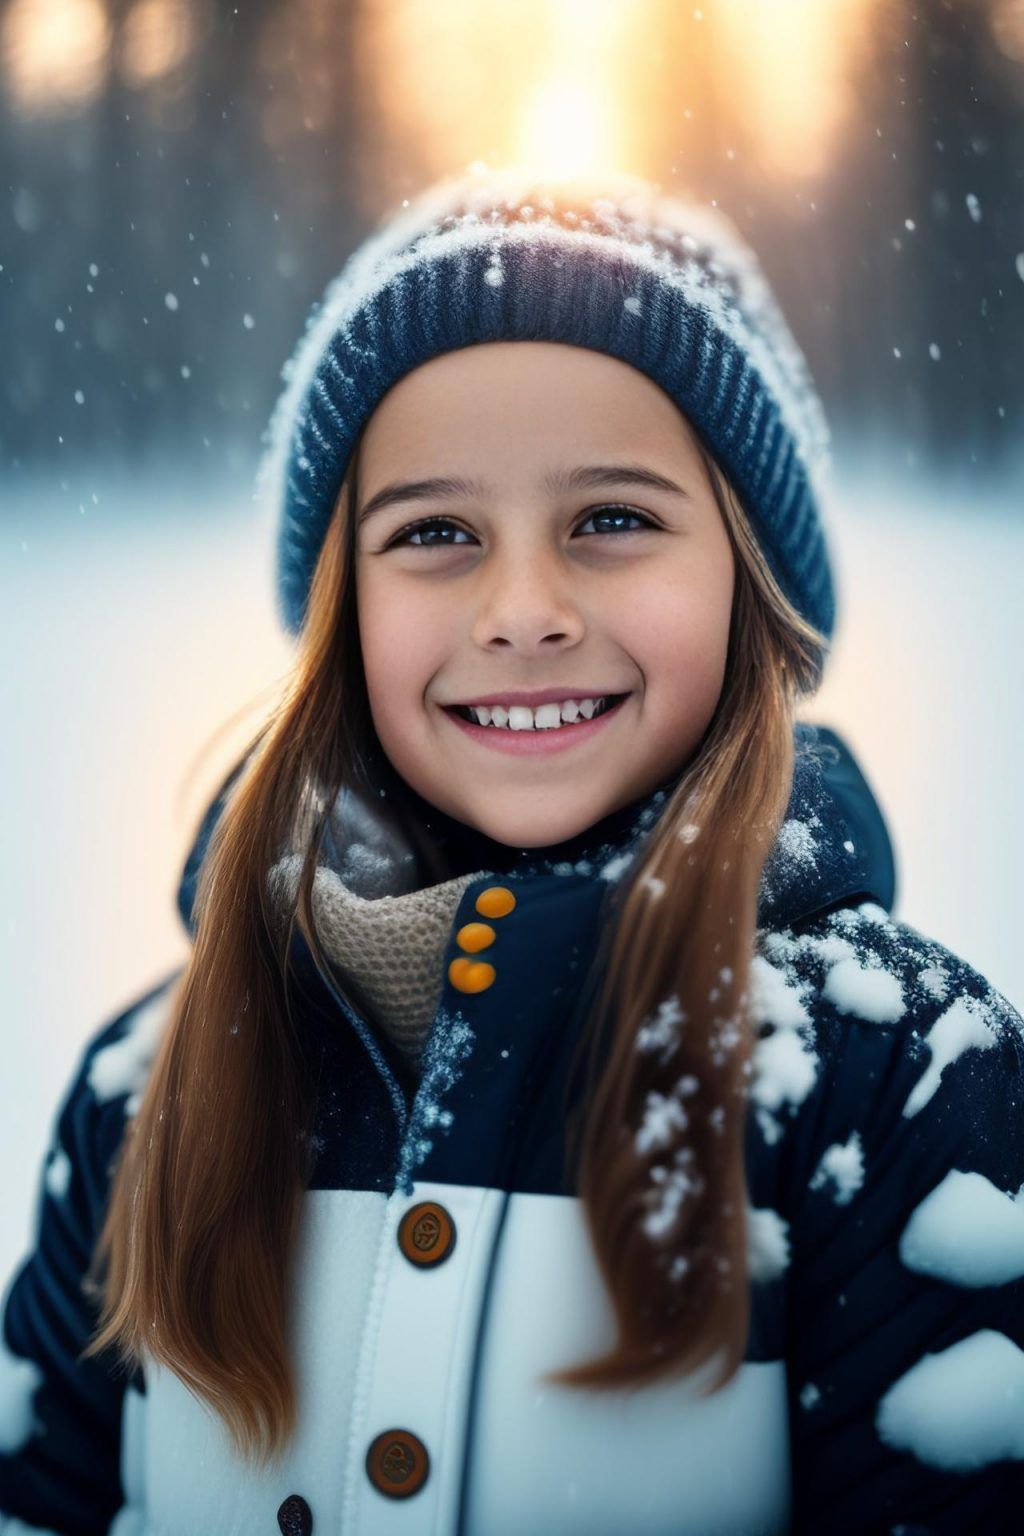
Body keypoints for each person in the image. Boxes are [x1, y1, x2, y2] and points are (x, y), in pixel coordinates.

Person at [2, 164, 1022, 1536]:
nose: (523, 609)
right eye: (433, 533)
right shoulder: (153, 1093)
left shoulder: (894, 1077)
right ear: (343, 613)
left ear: (748, 579)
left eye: (611, 519)